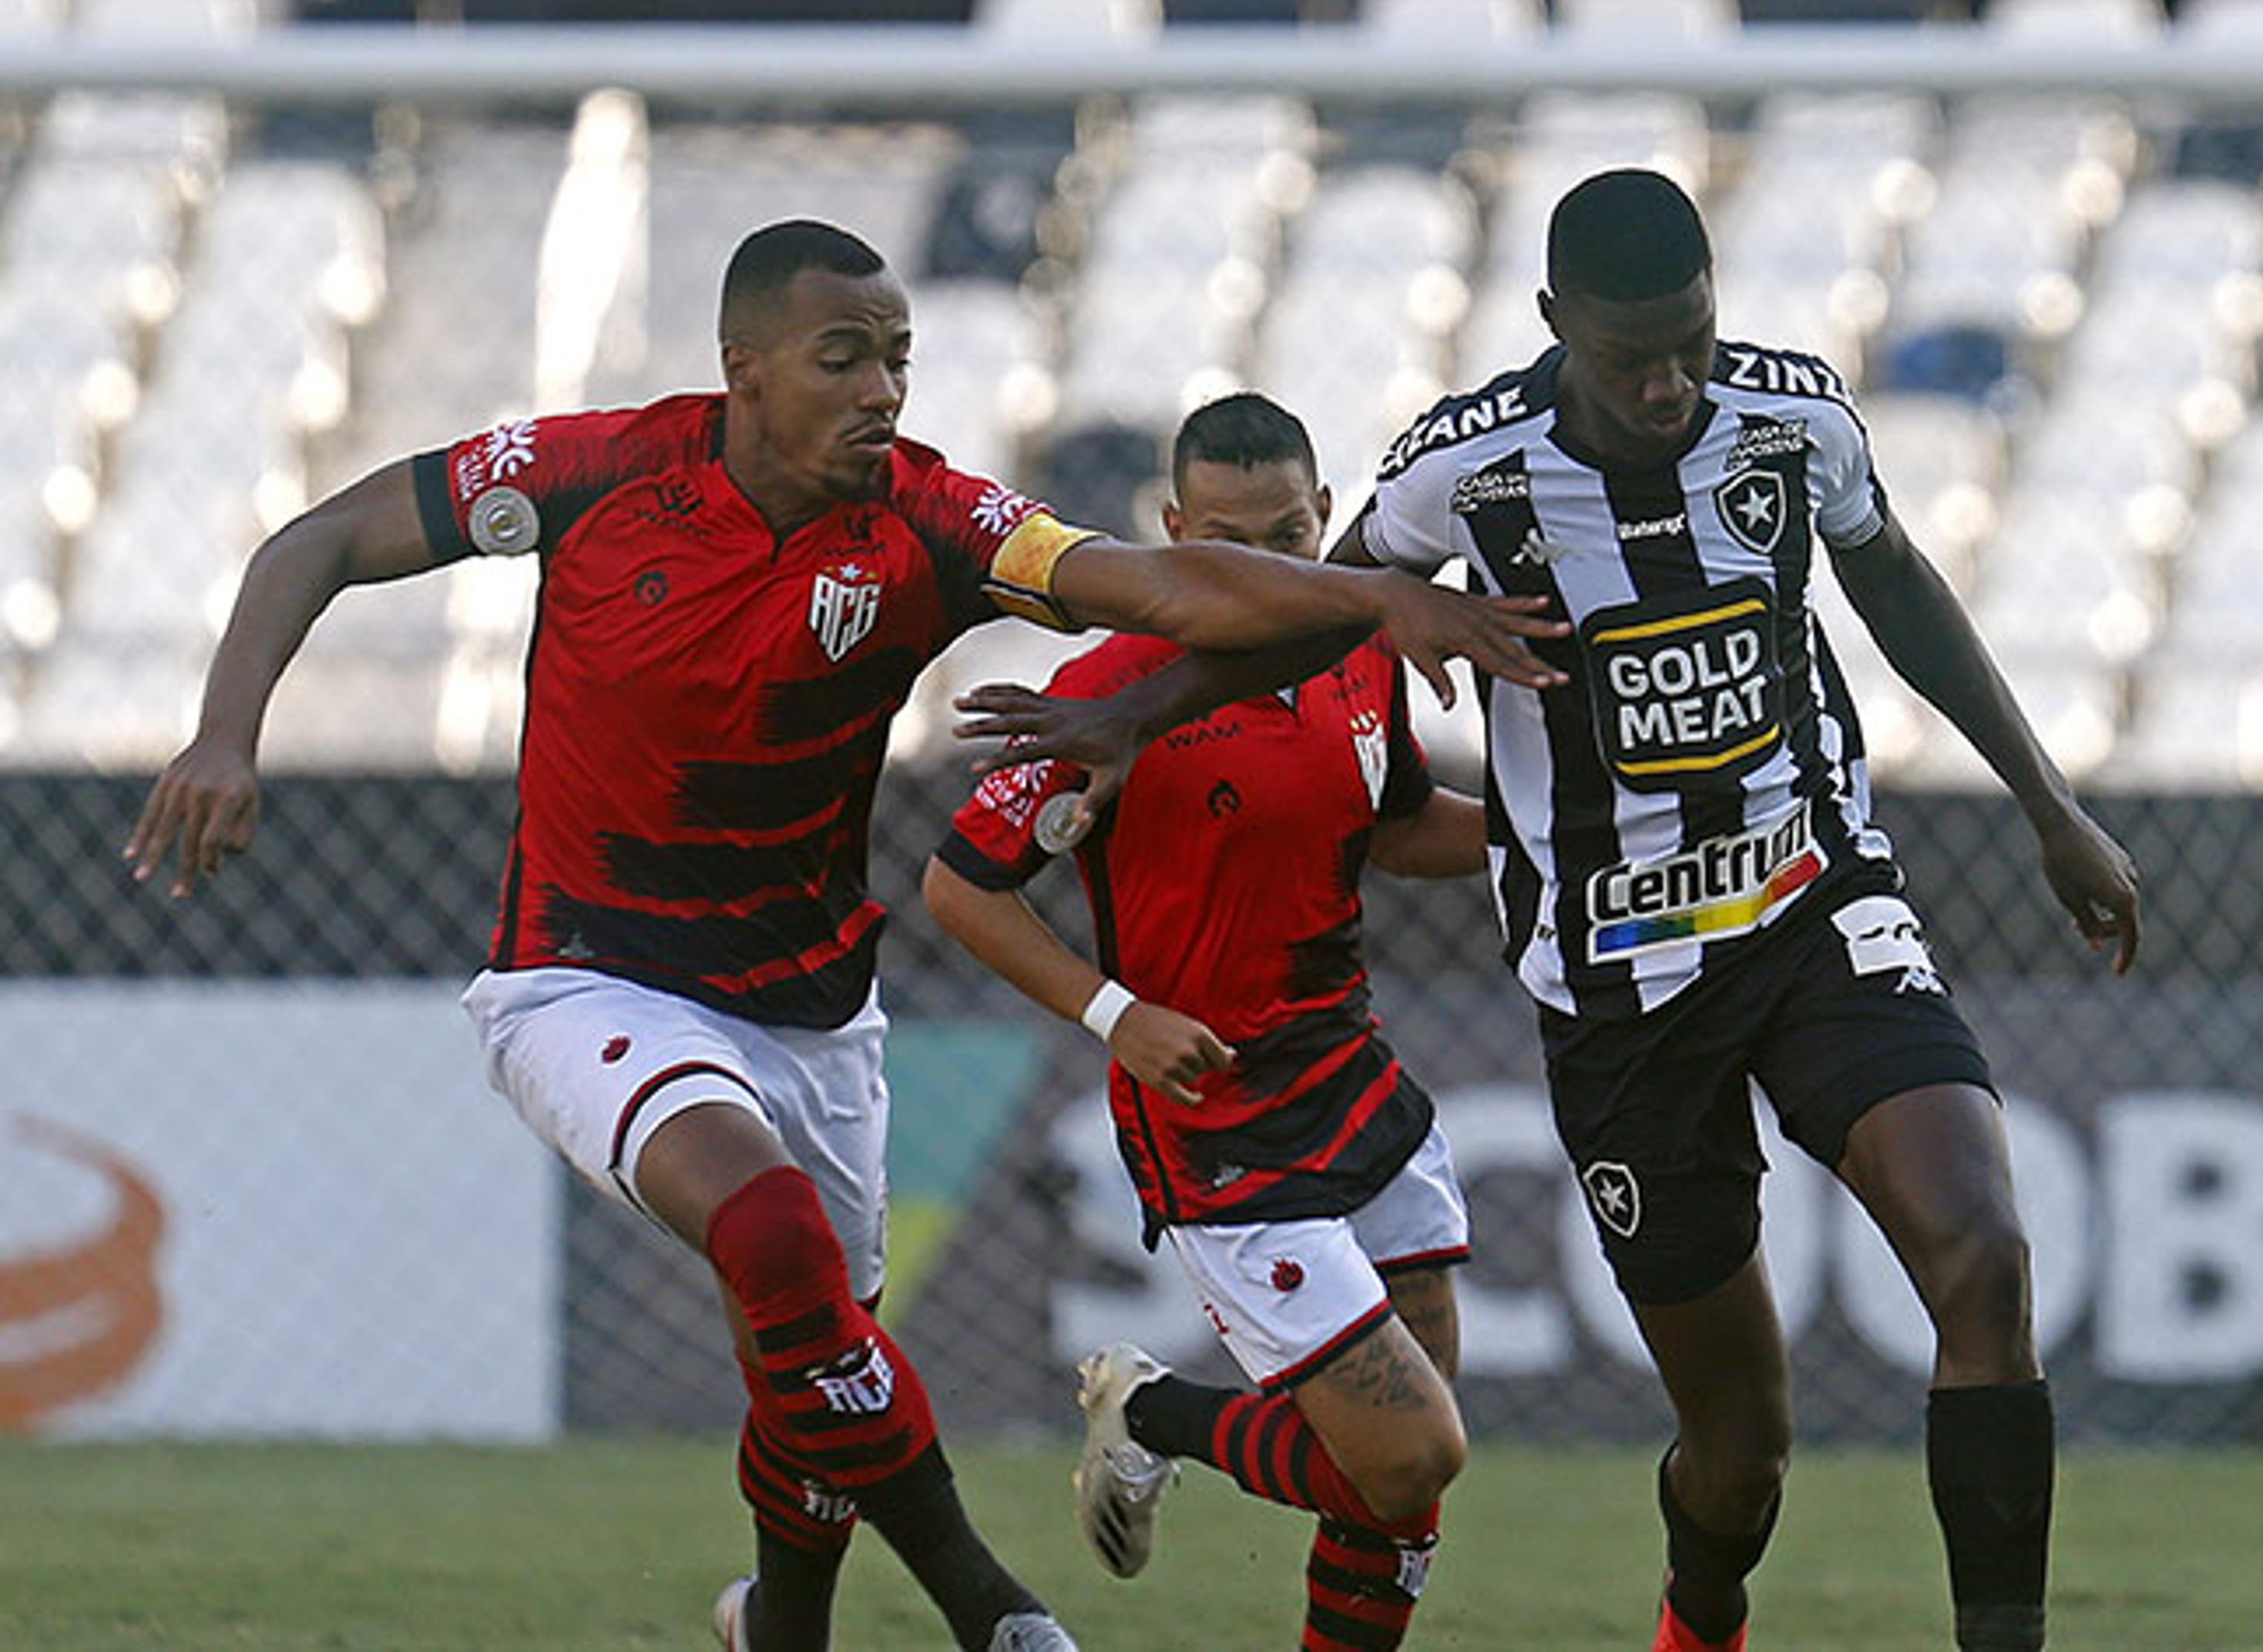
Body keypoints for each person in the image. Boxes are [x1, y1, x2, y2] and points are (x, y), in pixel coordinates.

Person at [120, 219, 1564, 1652]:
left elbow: (1156, 586)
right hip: (587, 971)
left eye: (900, 359)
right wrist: (224, 734)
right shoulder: (594, 472)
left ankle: (784, 1631)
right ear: (743, 368)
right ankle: (991, 1608)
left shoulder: (937, 525)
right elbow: (320, 538)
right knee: (773, 1238)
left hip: (814, 1014)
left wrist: (1377, 596)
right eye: (845, 359)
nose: (884, 390)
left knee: (814, 1378)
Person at [956, 170, 2144, 1652]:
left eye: (1693, 344)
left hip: (1812, 904)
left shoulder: (1794, 420)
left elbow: (1896, 583)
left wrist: (2049, 803)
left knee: (1985, 1260)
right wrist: (1138, 717)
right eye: (1630, 352)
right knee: (1741, 1450)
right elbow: (1318, 622)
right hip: (1623, 990)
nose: (1667, 384)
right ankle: (1697, 1619)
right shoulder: (1467, 470)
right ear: (1552, 324)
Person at [924, 391, 1481, 1651]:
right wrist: (1115, 1013)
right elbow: (959, 882)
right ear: (1173, 532)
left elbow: (1394, 822)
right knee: (1409, 1459)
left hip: (1354, 1078)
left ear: (1327, 515)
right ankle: (1155, 1412)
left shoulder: (1354, 646)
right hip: (1217, 1120)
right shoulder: (1113, 687)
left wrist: (1532, 841)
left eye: (1288, 534)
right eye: (1224, 538)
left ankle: (1164, 1421)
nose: (1262, 565)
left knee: (1407, 1483)